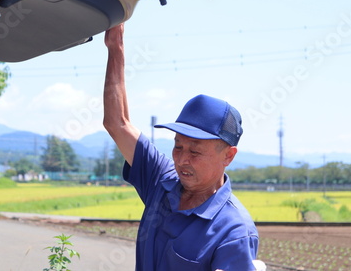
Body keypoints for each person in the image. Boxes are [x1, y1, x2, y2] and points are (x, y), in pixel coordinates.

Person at [103, 23, 259, 271]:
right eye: (178, 146)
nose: (182, 159)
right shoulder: (162, 182)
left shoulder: (234, 231)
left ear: (228, 156)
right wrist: (116, 48)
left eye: (195, 151)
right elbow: (117, 123)